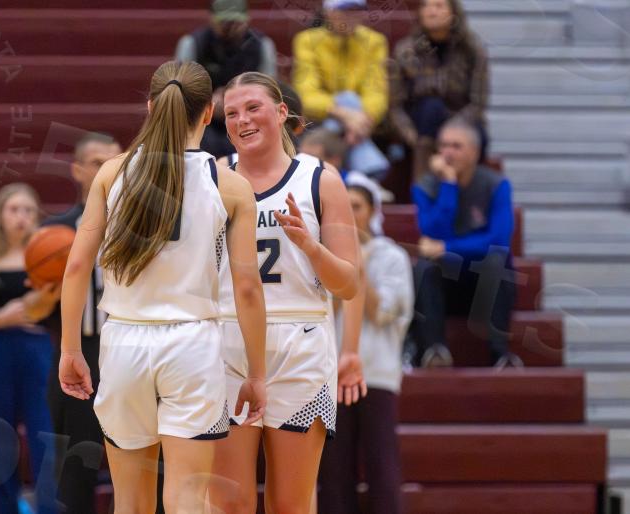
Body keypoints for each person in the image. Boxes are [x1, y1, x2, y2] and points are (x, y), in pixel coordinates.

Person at [58, 60, 267, 514]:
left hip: (123, 341)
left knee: (130, 503)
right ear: (208, 113)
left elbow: (76, 268)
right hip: (192, 345)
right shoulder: (231, 186)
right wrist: (256, 373)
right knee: (187, 498)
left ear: (151, 107)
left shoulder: (110, 173)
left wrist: (70, 348)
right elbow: (248, 289)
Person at [209, 71, 361, 514]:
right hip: (228, 340)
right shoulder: (212, 177)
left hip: (301, 342)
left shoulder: (320, 179)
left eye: (253, 108)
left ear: (280, 113)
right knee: (229, 503)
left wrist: (311, 247)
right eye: (231, 113)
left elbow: (348, 284)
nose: (242, 119)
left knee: (290, 505)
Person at [318, 172, 414, 514]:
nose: (349, 213)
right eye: (344, 206)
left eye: (356, 206)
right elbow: (320, 313)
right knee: (333, 468)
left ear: (372, 210)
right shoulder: (323, 254)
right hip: (331, 373)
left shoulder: (391, 256)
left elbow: (383, 313)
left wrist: (357, 267)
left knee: (382, 465)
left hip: (376, 372)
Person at [0, 183, 61, 514]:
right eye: (14, 209)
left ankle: (49, 508)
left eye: (29, 210)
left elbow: (65, 314)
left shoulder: (50, 256)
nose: (22, 217)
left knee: (45, 438)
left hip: (38, 351)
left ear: (37, 217)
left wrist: (44, 305)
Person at [42, 133, 121, 514]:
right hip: (79, 351)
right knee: (76, 468)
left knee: (145, 466)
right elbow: (39, 311)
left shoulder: (140, 224)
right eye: (97, 162)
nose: (107, 169)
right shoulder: (54, 233)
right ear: (76, 170)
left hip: (131, 350)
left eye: (114, 161)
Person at [411, 118, 520, 368]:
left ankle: (500, 356)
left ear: (475, 152)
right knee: (424, 267)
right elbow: (432, 232)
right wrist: (448, 185)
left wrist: (448, 248)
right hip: (447, 287)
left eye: (456, 146)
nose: (447, 152)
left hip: (484, 287)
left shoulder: (496, 185)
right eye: (443, 145)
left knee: (497, 261)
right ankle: (434, 351)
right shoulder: (425, 186)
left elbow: (499, 240)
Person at [389, 0, 489, 179]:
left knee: (479, 136)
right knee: (431, 107)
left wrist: (451, 133)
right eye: (425, 6)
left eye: (438, 6)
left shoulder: (472, 49)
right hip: (420, 125)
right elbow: (395, 105)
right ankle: (424, 188)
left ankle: (467, 190)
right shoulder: (406, 50)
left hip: (462, 119)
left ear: (453, 12)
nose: (431, 11)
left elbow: (478, 103)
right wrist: (410, 135)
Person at [292, 0, 389, 178]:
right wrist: (343, 114)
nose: (351, 17)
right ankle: (366, 174)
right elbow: (306, 95)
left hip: (360, 122)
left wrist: (360, 121)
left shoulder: (375, 41)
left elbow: (376, 92)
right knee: (347, 100)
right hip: (319, 119)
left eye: (356, 10)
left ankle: (334, 177)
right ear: (328, 12)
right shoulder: (307, 40)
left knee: (349, 99)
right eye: (345, 11)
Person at [176, 0, 277, 157]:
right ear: (211, 19)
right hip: (203, 119)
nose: (230, 26)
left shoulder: (262, 45)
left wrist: (237, 102)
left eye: (235, 22)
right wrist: (207, 102)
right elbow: (181, 91)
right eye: (224, 22)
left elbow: (269, 91)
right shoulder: (193, 43)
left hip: (248, 116)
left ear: (247, 19)